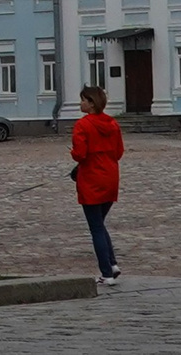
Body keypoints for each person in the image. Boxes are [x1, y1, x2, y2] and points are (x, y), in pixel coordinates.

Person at [70, 83, 124, 287]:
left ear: (91, 103)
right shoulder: (112, 123)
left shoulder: (82, 125)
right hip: (110, 176)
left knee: (96, 228)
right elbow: (119, 152)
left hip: (91, 179)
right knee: (99, 224)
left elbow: (80, 154)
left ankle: (106, 273)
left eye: (83, 100)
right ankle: (112, 264)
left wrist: (73, 153)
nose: (80, 103)